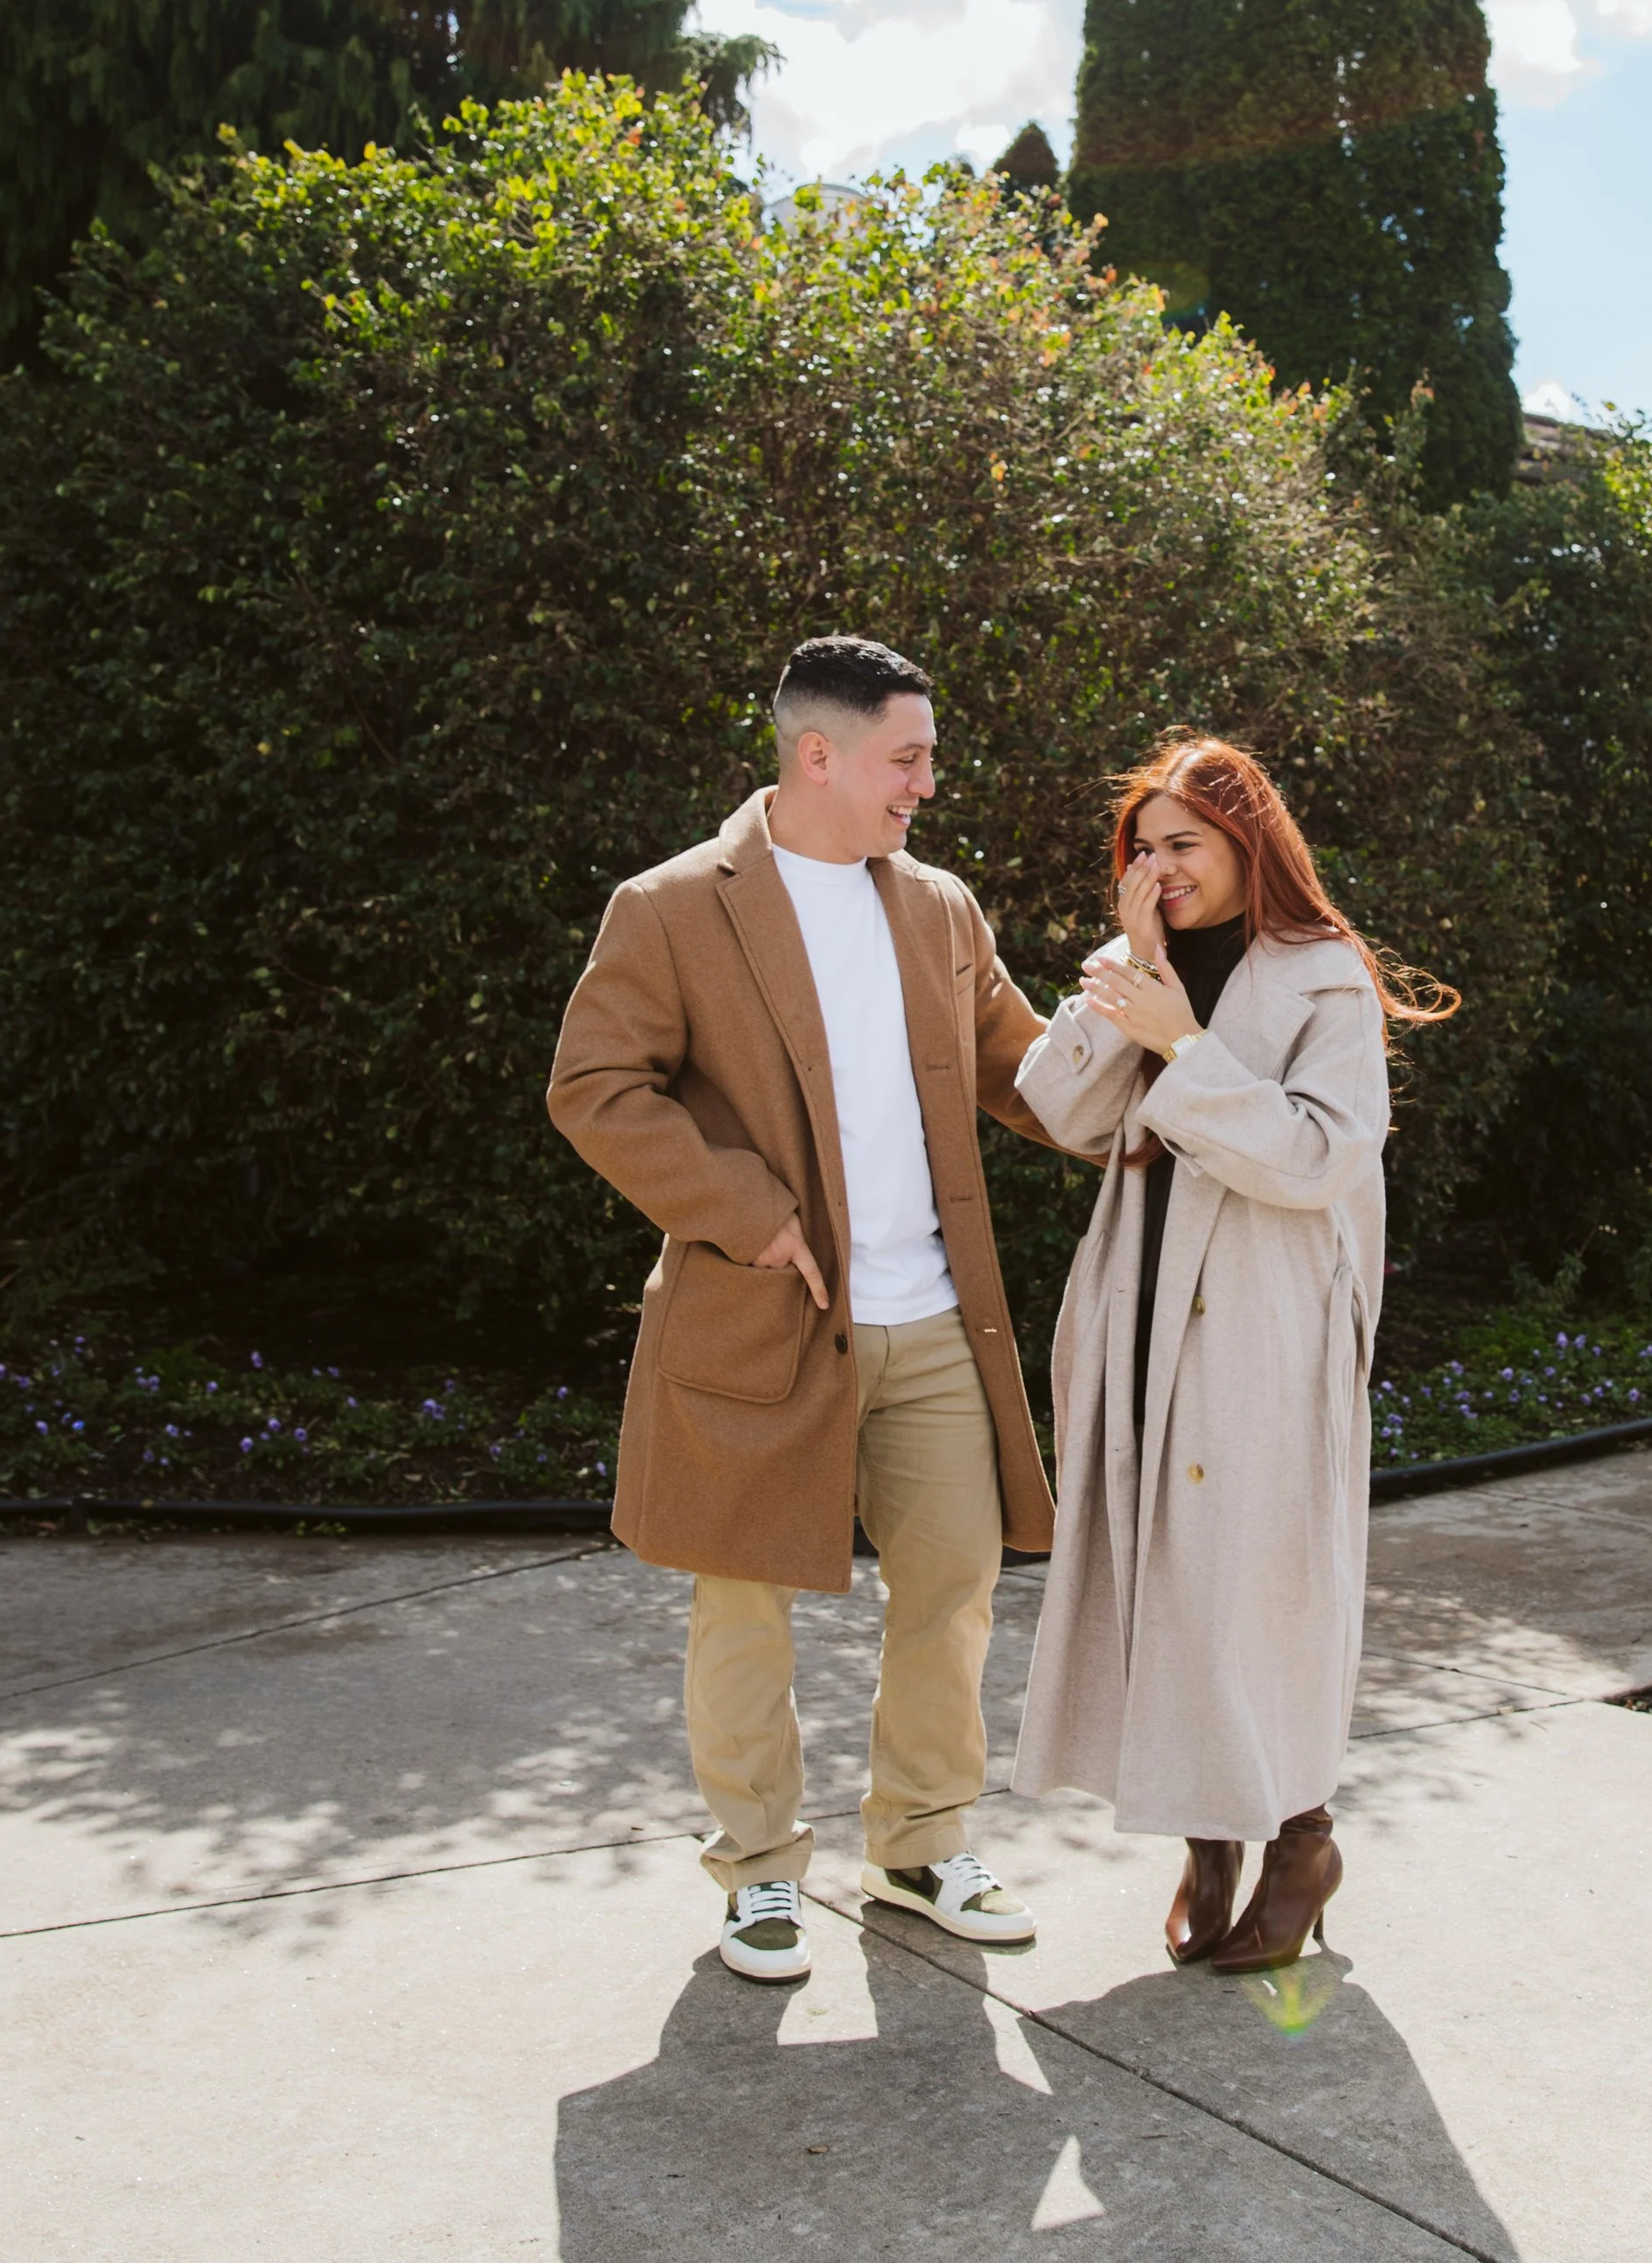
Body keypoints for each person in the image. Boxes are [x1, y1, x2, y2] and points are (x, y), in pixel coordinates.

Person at [547, 636, 1056, 1981]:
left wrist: (1159, 1065)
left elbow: (1026, 1068)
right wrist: (745, 1208)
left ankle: (922, 1841)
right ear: (816, 754)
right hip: (764, 1316)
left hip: (938, 1318)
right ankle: (760, 1873)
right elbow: (596, 1084)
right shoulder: (668, 907)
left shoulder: (941, 906)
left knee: (953, 1585)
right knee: (744, 1606)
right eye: (908, 757)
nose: (927, 785)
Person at [1009, 735, 1454, 1973]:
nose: (1158, 868)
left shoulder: (1324, 979)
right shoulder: (1131, 965)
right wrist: (1135, 984)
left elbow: (1320, 1157)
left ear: (1247, 847)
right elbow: (1061, 1105)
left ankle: (1299, 1838)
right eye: (1141, 848)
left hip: (1262, 1322)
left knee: (1254, 1584)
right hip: (1146, 1302)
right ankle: (1208, 1837)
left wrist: (1188, 1045)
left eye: (1182, 845)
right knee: (1166, 1572)